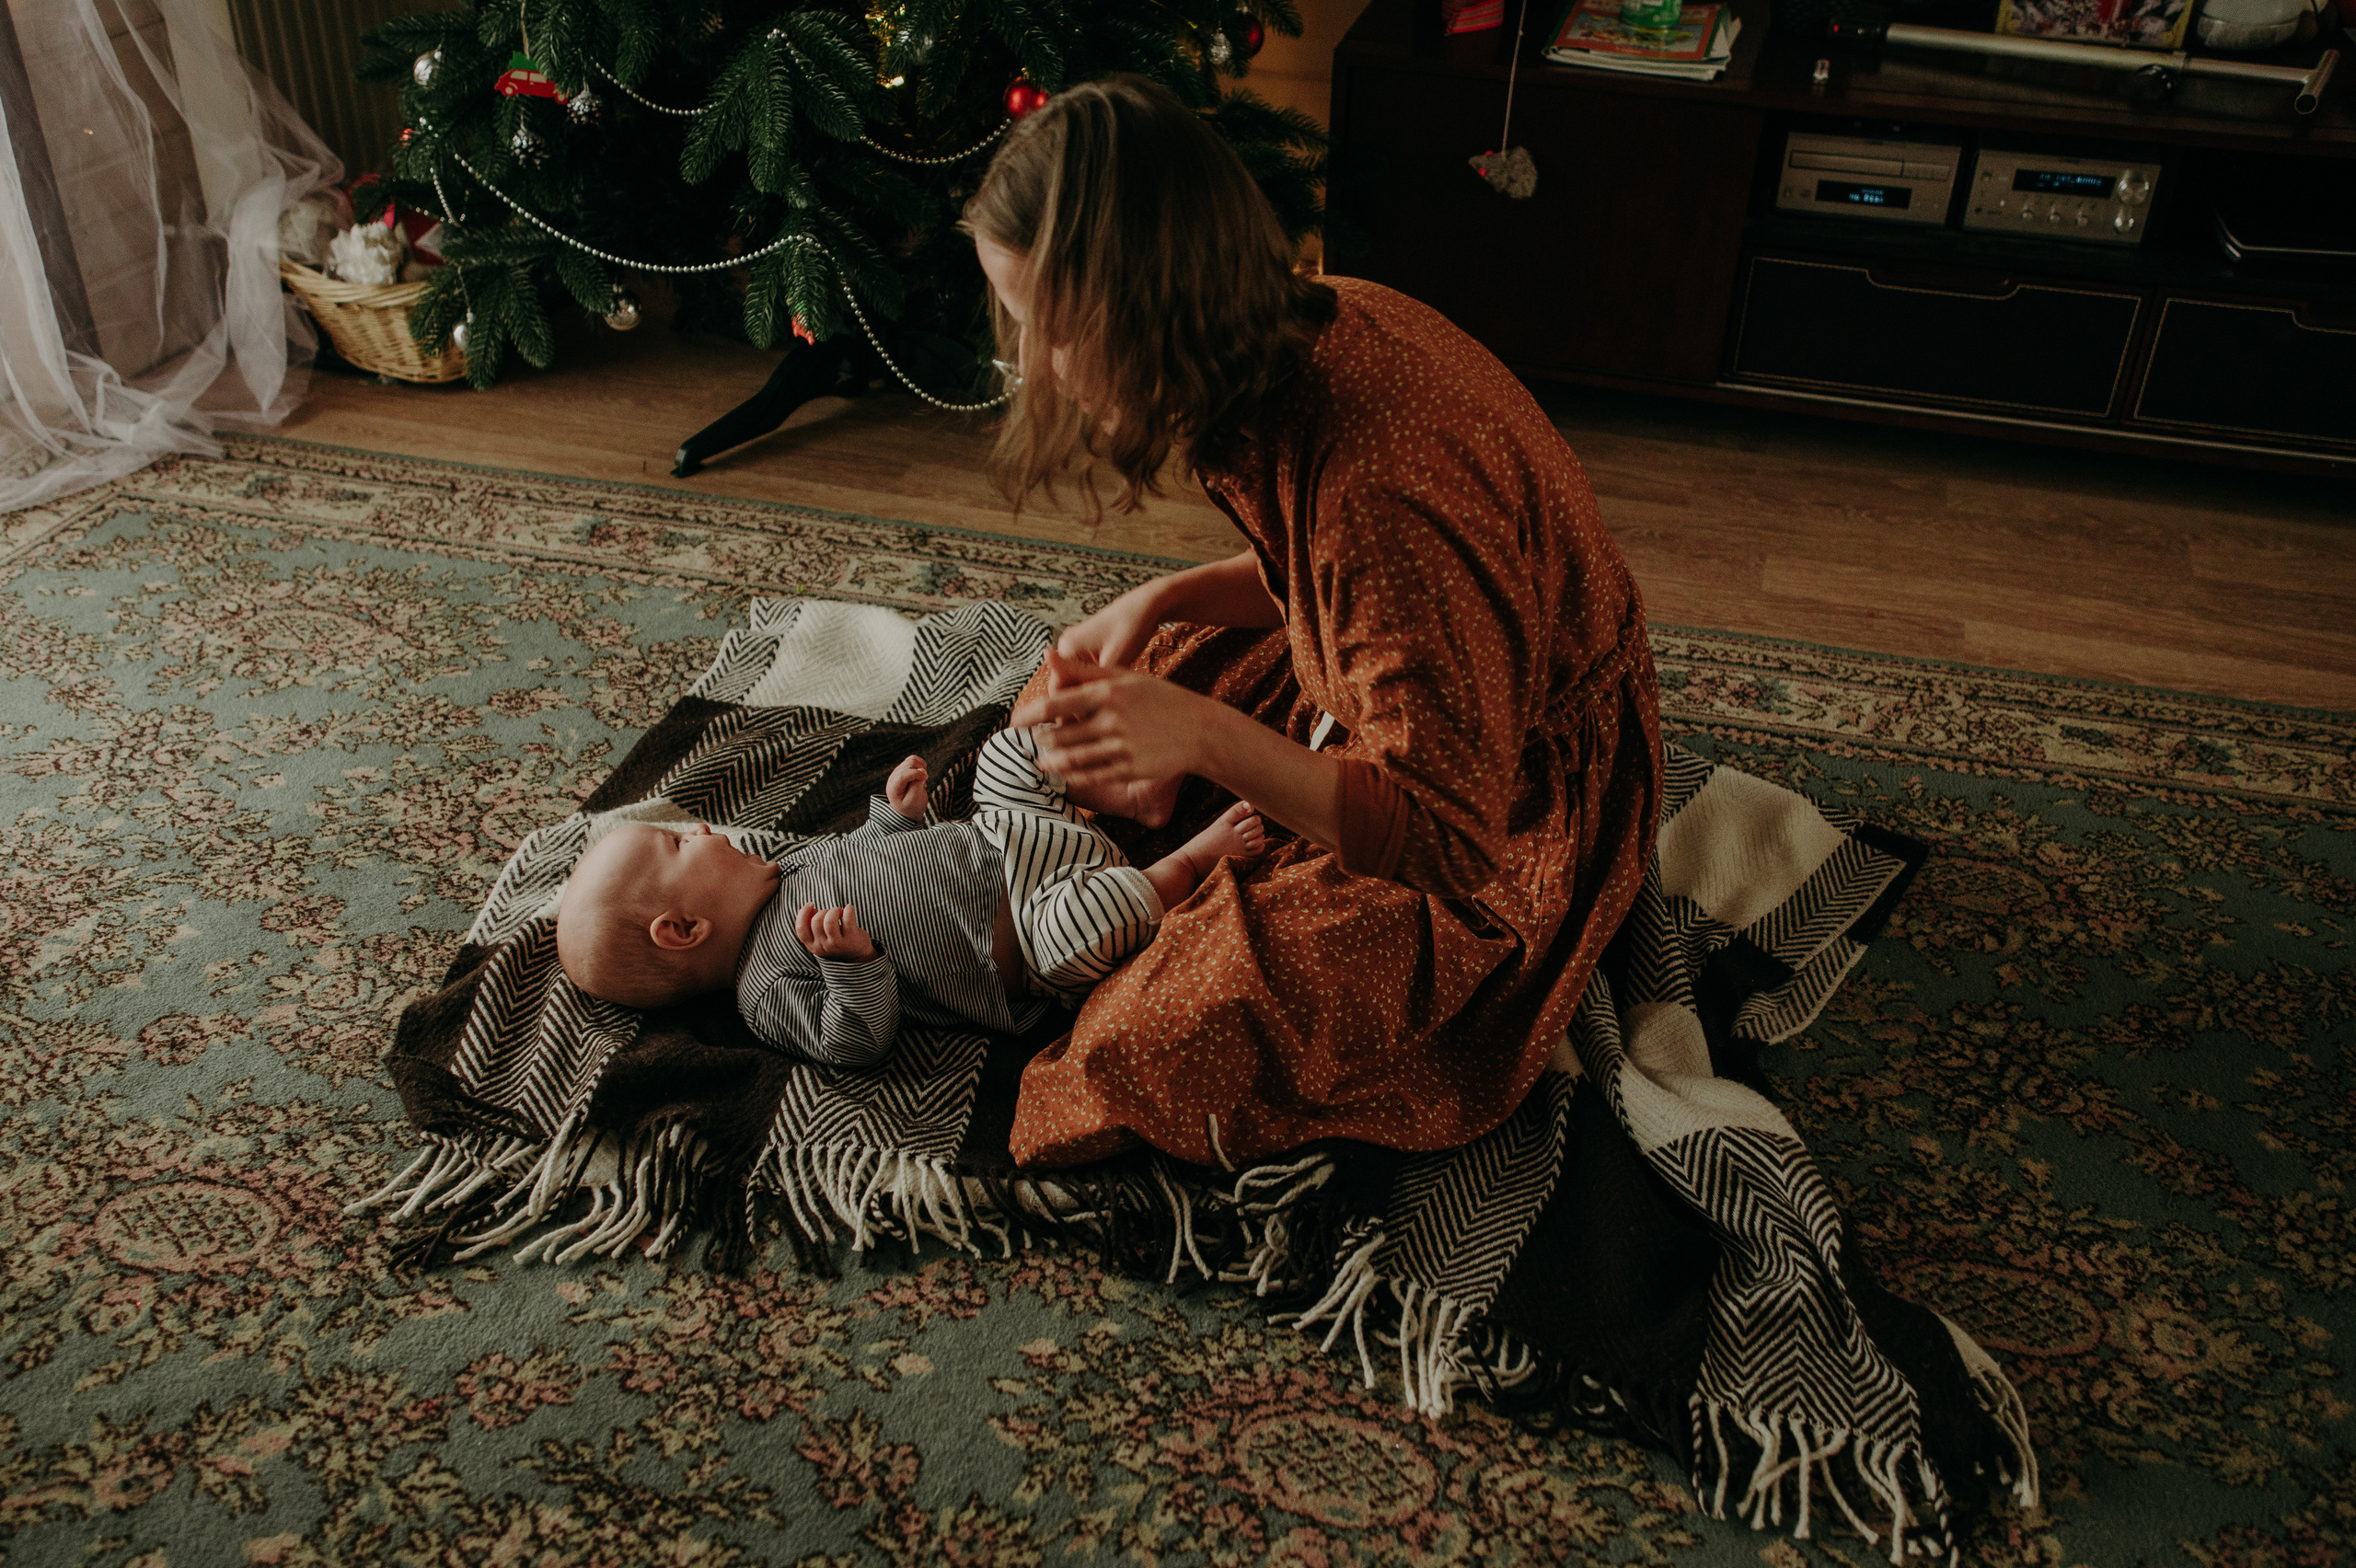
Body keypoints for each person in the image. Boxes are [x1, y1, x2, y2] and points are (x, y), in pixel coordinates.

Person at [963, 75, 1667, 1170]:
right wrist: (1162, 601)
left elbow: (1449, 836)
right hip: (1382, 680)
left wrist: (1206, 738)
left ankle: (1183, 916)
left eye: (1052, 329)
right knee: (1054, 718)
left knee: (1127, 1063)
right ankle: (1179, 873)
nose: (1035, 364)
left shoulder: (1383, 483)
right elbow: (1326, 578)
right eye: (1021, 325)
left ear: (1149, 302)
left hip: (1504, 810)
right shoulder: (1287, 331)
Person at [554, 726, 1265, 1066]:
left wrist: (896, 816)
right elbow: (853, 1043)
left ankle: (1133, 799)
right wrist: (853, 967)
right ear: (683, 928)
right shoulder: (764, 989)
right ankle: (1184, 864)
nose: (702, 828)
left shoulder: (785, 868)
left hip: (1012, 838)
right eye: (679, 844)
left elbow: (872, 857)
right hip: (1033, 929)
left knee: (1007, 753)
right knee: (1083, 929)